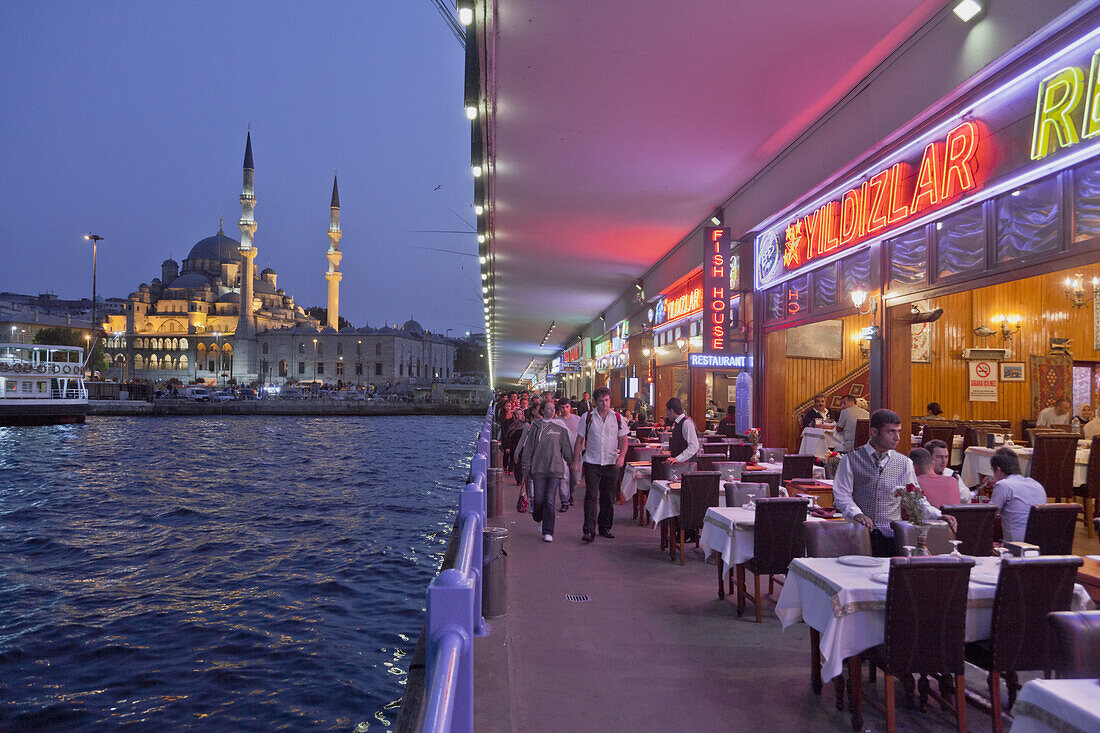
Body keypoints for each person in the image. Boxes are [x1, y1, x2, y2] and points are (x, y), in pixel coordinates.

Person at [833, 408, 956, 556]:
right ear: (874, 432)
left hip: (892, 536)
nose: (897, 437)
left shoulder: (905, 463)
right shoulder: (850, 460)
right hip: (858, 534)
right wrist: (857, 514)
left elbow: (915, 499)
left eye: (899, 431)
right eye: (891, 432)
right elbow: (842, 495)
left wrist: (937, 515)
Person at [572, 386, 629, 543]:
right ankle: (589, 531)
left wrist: (622, 456)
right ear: (595, 402)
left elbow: (624, 440)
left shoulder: (618, 418)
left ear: (610, 400)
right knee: (591, 496)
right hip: (592, 462)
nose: (605, 404)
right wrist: (576, 461)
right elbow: (579, 440)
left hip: (611, 463)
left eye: (607, 400)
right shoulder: (587, 417)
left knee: (607, 497)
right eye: (601, 401)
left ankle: (604, 527)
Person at [520, 399, 575, 542]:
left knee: (550, 500)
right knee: (538, 500)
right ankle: (538, 517)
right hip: (538, 469)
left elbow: (566, 448)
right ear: (542, 411)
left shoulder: (560, 428)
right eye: (549, 408)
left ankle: (548, 531)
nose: (552, 411)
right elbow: (529, 449)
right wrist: (526, 467)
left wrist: (572, 462)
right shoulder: (535, 427)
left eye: (553, 408)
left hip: (555, 469)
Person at [988, 447, 1047, 542]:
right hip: (1039, 542)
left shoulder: (1003, 485)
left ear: (998, 470)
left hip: (1016, 545)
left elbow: (989, 515)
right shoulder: (1037, 484)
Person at [923, 438, 971, 503]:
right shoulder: (921, 475)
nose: (944, 461)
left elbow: (966, 497)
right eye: (939, 457)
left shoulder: (951, 474)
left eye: (946, 457)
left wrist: (953, 485)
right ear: (928, 458)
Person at [555, 399, 582, 510]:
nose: (564, 409)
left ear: (570, 407)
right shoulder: (556, 421)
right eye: (562, 407)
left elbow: (582, 435)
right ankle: (564, 501)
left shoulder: (578, 419)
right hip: (561, 454)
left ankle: (570, 494)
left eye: (567, 407)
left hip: (576, 453)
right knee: (563, 478)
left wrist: (580, 450)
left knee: (575, 479)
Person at [664, 397, 700, 465]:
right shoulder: (679, 423)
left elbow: (694, 446)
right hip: (681, 465)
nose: (666, 414)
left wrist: (678, 459)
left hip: (687, 466)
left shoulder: (686, 423)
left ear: (671, 411)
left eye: (666, 411)